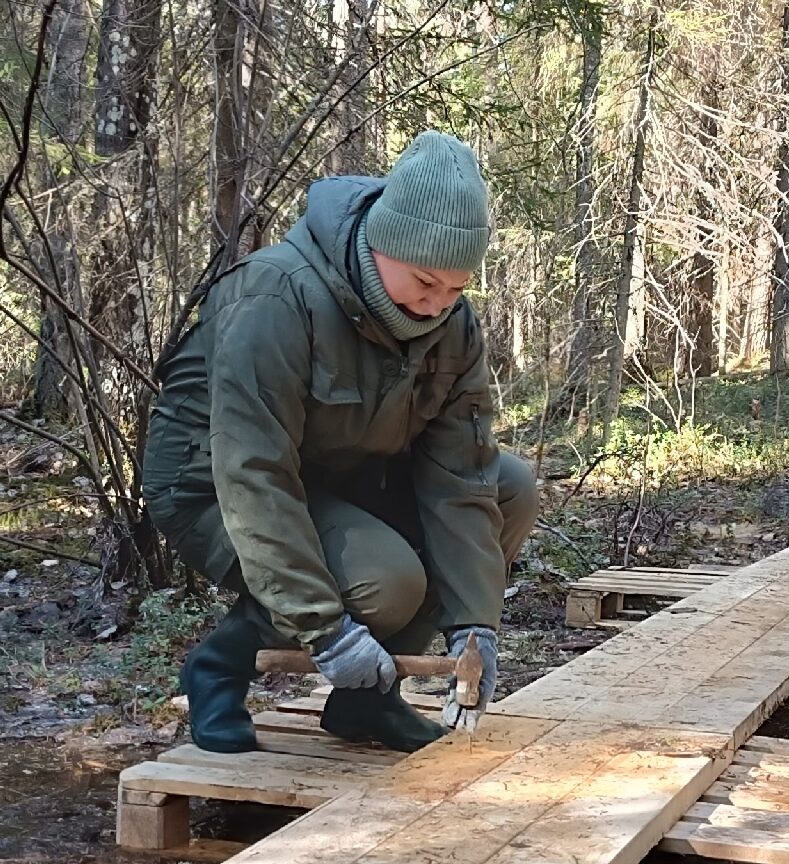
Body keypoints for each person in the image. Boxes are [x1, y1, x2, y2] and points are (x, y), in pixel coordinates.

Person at [142, 130, 539, 754]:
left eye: (457, 288)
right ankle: (219, 667)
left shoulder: (452, 326)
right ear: (382, 244)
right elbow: (253, 472)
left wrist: (475, 627)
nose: (437, 304)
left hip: (337, 473)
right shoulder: (277, 295)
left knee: (511, 487)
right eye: (425, 281)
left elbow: (462, 475)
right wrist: (327, 632)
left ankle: (366, 702)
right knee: (385, 582)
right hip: (212, 484)